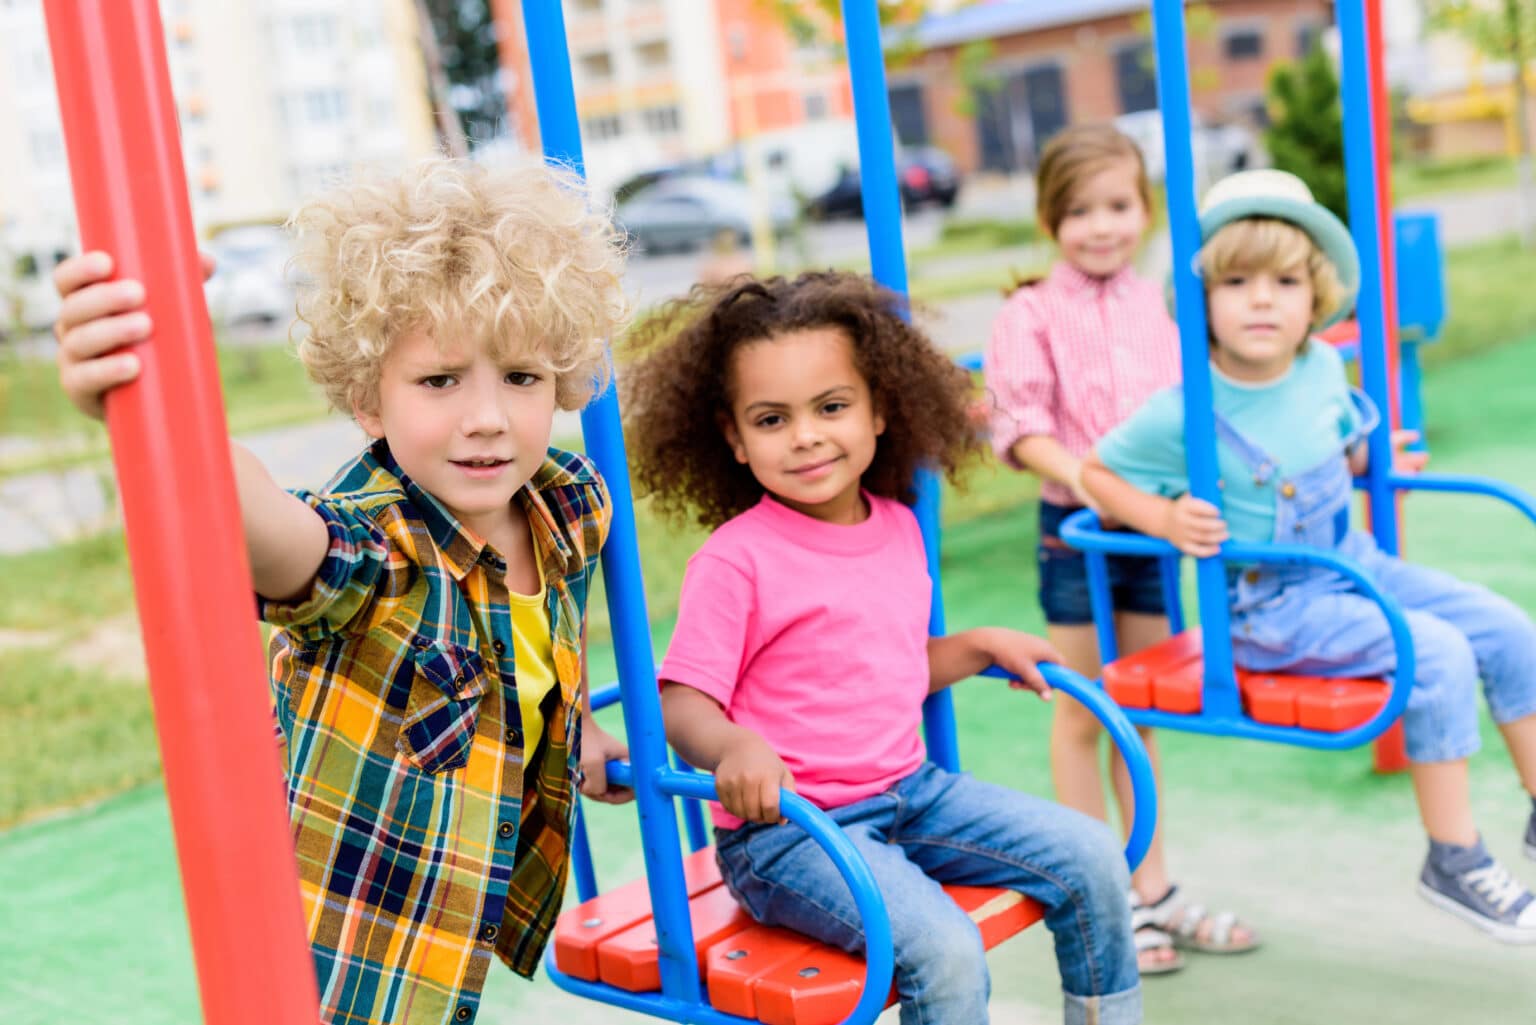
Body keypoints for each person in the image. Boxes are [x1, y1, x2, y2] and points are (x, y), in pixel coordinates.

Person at [51, 157, 637, 1022]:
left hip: (454, 936)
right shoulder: (376, 549)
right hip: (343, 954)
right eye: (440, 380)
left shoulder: (569, 505)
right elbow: (253, 518)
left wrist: (568, 725)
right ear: (368, 398)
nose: (488, 417)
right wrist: (155, 398)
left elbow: (531, 645)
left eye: (521, 377)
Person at [621, 271, 1142, 1025]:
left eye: (831, 407)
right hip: (789, 833)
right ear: (733, 438)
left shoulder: (896, 525)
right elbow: (682, 698)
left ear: (879, 410)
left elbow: (886, 664)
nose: (805, 435)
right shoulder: (737, 560)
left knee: (1093, 854)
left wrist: (975, 644)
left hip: (911, 794)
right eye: (771, 419)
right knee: (946, 948)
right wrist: (733, 745)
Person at [1084, 168, 1536, 944]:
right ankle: (1454, 857)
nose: (1262, 299)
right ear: (1202, 300)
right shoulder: (1186, 408)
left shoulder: (1322, 366)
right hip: (1270, 608)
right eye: (1236, 280)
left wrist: (1373, 457)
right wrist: (1162, 515)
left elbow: (1341, 442)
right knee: (1436, 653)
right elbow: (1096, 475)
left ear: (1315, 296)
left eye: (1285, 281)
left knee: (1507, 627)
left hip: (1353, 561)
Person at [985, 123, 1256, 972]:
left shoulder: (1168, 303)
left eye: (1118, 206)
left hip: (1150, 533)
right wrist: (1104, 484)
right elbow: (1021, 426)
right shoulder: (1029, 311)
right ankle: (1104, 889)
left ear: (1144, 210)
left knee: (1144, 711)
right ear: (1049, 219)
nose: (1100, 226)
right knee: (1084, 708)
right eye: (1079, 211)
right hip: (1077, 535)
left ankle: (1156, 885)